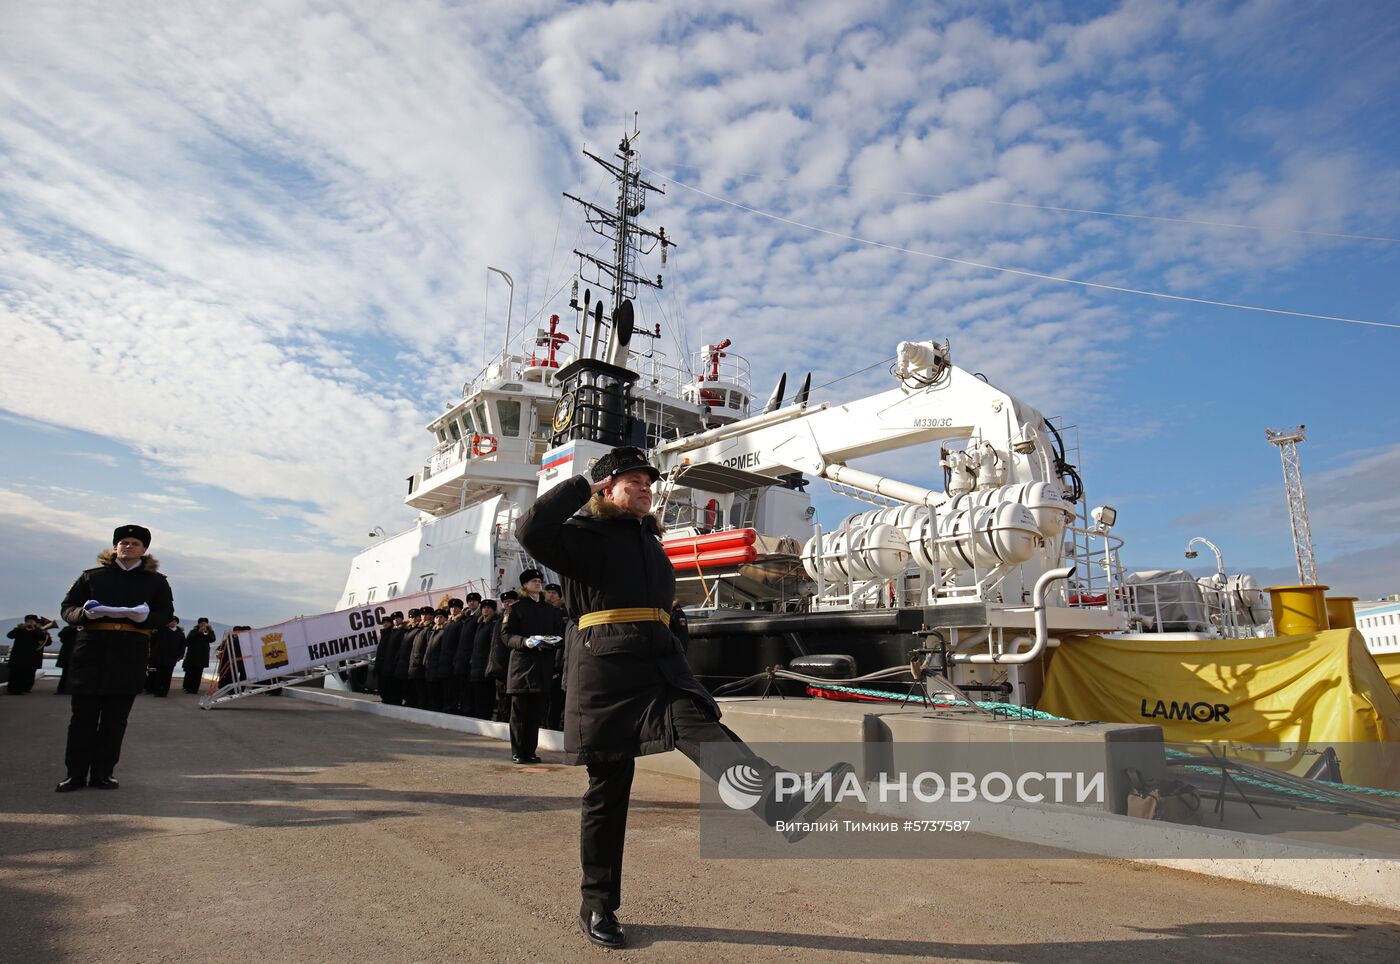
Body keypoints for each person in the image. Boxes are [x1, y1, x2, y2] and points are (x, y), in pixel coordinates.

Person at [517, 446, 850, 948]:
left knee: (703, 729)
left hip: (658, 667)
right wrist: (583, 482)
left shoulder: (650, 541)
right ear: (606, 487)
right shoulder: (579, 535)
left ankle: (781, 802)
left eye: (649, 482)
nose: (647, 488)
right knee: (608, 792)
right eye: (634, 480)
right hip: (605, 675)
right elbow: (529, 531)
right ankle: (598, 906)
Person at [56, 524, 174, 792]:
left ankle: (103, 773)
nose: (128, 546)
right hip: (92, 649)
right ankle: (74, 774)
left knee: (115, 720)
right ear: (115, 547)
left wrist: (146, 619)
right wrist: (84, 615)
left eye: (134, 543)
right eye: (123, 542)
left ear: (144, 549)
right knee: (82, 719)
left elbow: (165, 613)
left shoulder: (156, 582)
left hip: (129, 652)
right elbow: (67, 608)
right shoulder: (91, 577)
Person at [503, 569, 565, 763]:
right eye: (533, 581)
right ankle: (518, 751)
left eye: (539, 580)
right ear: (524, 585)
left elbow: (560, 634)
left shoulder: (550, 610)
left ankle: (530, 751)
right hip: (522, 667)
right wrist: (525, 642)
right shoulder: (516, 608)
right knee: (520, 712)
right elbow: (506, 636)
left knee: (536, 712)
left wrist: (554, 641)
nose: (538, 583)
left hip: (543, 666)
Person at [485, 591, 517, 722]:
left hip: (509, 664)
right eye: (504, 601)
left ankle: (506, 720)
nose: (507, 603)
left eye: (510, 601)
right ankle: (502, 719)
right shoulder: (499, 619)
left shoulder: (516, 616)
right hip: (498, 665)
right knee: (502, 697)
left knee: (509, 698)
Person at [467, 599, 498, 719]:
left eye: (488, 608)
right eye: (484, 607)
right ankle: (479, 716)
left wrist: (489, 664)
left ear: (493, 610)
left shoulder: (493, 624)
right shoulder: (480, 624)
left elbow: (492, 646)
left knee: (485, 695)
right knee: (477, 695)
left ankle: (484, 717)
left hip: (485, 666)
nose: (485, 609)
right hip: (476, 665)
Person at [5, 615, 47, 695]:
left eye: (32, 621)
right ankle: (12, 690)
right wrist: (21, 628)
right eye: (28, 621)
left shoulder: (38, 631)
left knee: (25, 674)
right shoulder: (19, 629)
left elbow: (42, 637)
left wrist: (34, 629)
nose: (30, 623)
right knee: (14, 674)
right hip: (17, 655)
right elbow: (10, 635)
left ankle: (21, 689)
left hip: (30, 656)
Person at [146, 616, 184, 697]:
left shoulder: (180, 633)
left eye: (174, 621)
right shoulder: (161, 630)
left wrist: (180, 655)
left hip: (172, 657)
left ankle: (165, 691)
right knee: (159, 674)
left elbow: (182, 646)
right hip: (160, 656)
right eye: (171, 621)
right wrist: (153, 653)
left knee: (168, 675)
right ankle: (157, 691)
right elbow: (153, 641)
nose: (173, 623)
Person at [374, 612, 404, 705]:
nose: (385, 624)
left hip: (391, 664)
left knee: (391, 685)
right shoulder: (385, 633)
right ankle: (387, 700)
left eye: (387, 622)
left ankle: (393, 700)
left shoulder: (394, 632)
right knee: (383, 685)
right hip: (383, 664)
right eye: (384, 622)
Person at [182, 618, 215, 694]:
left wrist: (208, 631)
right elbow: (188, 641)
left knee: (198, 673)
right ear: (199, 624)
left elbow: (212, 639)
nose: (203, 625)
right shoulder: (193, 631)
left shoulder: (208, 632)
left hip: (202, 656)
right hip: (192, 655)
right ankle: (188, 688)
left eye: (205, 623)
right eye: (202, 623)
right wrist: (198, 632)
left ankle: (194, 689)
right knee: (190, 672)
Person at [55, 622, 76, 694]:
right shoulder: (67, 629)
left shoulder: (79, 630)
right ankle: (61, 690)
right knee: (65, 674)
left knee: (72, 674)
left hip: (74, 654)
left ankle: (69, 689)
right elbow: (60, 635)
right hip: (68, 654)